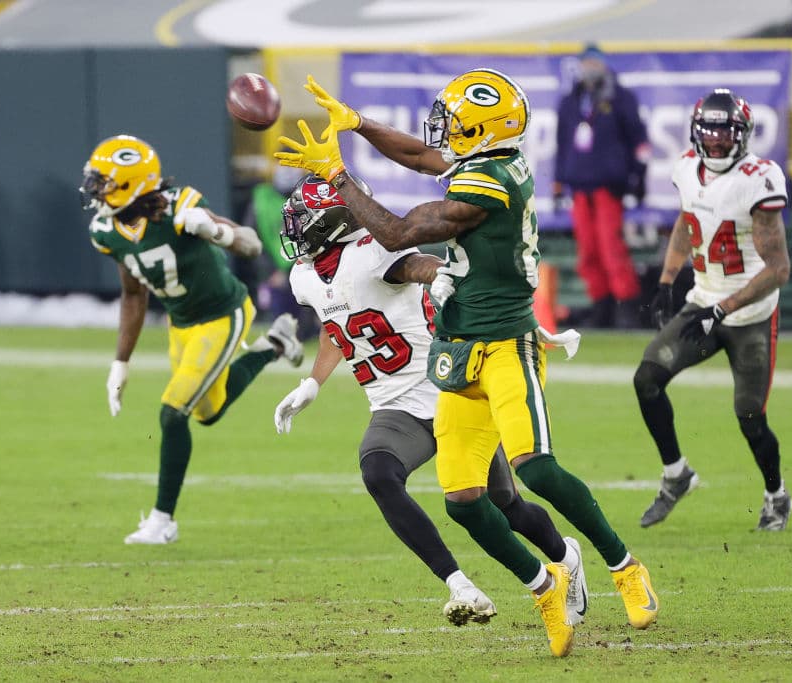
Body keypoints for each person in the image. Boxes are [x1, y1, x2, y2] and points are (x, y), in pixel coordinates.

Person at [275, 69, 658, 658]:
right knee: (464, 502)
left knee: (535, 470)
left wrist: (339, 177)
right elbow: (424, 158)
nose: (444, 131)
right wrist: (356, 124)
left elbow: (403, 235)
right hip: (457, 354)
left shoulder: (493, 182)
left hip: (506, 342)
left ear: (482, 129)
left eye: (455, 122)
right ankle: (545, 586)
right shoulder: (478, 162)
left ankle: (623, 565)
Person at [272, 173, 589, 628]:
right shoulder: (304, 274)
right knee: (378, 471)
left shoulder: (373, 252)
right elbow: (335, 316)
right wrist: (313, 383)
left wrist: (440, 275)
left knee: (503, 505)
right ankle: (460, 584)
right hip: (394, 408)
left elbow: (415, 264)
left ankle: (565, 555)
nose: (295, 231)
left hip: (450, 391)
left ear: (334, 223)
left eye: (302, 221)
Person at [80, 134, 305, 544]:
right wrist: (121, 362)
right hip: (180, 324)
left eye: (105, 182)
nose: (96, 190)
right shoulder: (105, 229)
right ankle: (276, 344)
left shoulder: (179, 205)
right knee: (207, 412)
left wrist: (214, 231)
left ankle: (162, 522)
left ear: (131, 185)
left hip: (223, 314)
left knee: (173, 411)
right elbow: (133, 294)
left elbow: (251, 245)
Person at [635, 90, 792, 532]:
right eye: (710, 131)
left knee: (749, 416)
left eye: (727, 132)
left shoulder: (757, 179)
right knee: (647, 380)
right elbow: (688, 223)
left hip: (750, 316)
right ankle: (676, 474)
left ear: (742, 136)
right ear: (696, 132)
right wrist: (667, 281)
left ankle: (776, 495)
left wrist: (722, 309)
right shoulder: (686, 167)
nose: (718, 141)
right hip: (704, 302)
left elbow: (779, 269)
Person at [553, 44, 650, 329]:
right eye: (585, 63)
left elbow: (638, 141)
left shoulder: (621, 98)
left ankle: (626, 309)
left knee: (612, 250)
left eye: (593, 63)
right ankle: (601, 307)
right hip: (580, 188)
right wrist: (558, 183)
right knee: (589, 253)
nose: (588, 69)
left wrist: (638, 179)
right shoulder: (571, 101)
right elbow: (562, 146)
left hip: (610, 187)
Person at [240, 164, 319, 339]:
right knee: (282, 320)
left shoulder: (310, 196)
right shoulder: (261, 199)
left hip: (308, 264)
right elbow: (251, 238)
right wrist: (270, 271)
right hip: (274, 267)